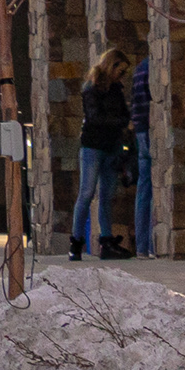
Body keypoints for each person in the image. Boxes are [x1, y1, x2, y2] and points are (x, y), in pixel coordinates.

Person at [72, 47, 133, 259]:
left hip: (111, 146)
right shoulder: (92, 88)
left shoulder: (116, 90)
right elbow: (95, 117)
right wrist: (121, 122)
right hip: (93, 146)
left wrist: (124, 124)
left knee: (107, 195)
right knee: (87, 193)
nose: (122, 76)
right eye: (121, 71)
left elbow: (124, 113)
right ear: (112, 65)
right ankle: (76, 241)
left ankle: (106, 242)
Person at [127, 53, 155, 260]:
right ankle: (153, 245)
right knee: (153, 187)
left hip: (140, 131)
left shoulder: (139, 69)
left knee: (144, 187)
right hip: (149, 129)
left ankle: (142, 247)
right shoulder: (151, 67)